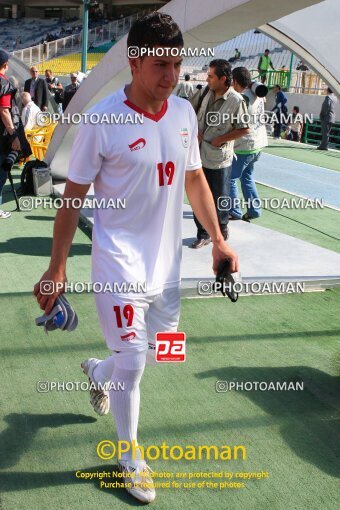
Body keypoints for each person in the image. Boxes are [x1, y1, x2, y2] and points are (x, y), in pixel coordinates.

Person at [33, 12, 238, 504]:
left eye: (176, 63)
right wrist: (57, 266)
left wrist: (218, 240)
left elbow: (193, 179)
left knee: (161, 354)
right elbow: (73, 198)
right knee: (134, 358)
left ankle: (97, 371)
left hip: (165, 266)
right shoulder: (102, 119)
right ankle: (130, 457)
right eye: (159, 64)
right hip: (117, 262)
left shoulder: (185, 115)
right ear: (133, 61)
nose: (170, 75)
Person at [189, 59, 250, 248]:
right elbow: (189, 109)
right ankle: (203, 233)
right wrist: (194, 128)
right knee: (199, 196)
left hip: (218, 158)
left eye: (210, 76)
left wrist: (221, 139)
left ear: (223, 79)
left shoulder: (236, 100)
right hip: (198, 155)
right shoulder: (206, 91)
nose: (207, 79)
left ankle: (222, 227)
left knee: (220, 197)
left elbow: (244, 128)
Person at [229, 68, 268, 221]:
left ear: (235, 81)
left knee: (230, 178)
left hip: (245, 146)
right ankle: (254, 210)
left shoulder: (242, 98)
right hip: (259, 143)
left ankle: (234, 211)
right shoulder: (257, 93)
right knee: (247, 176)